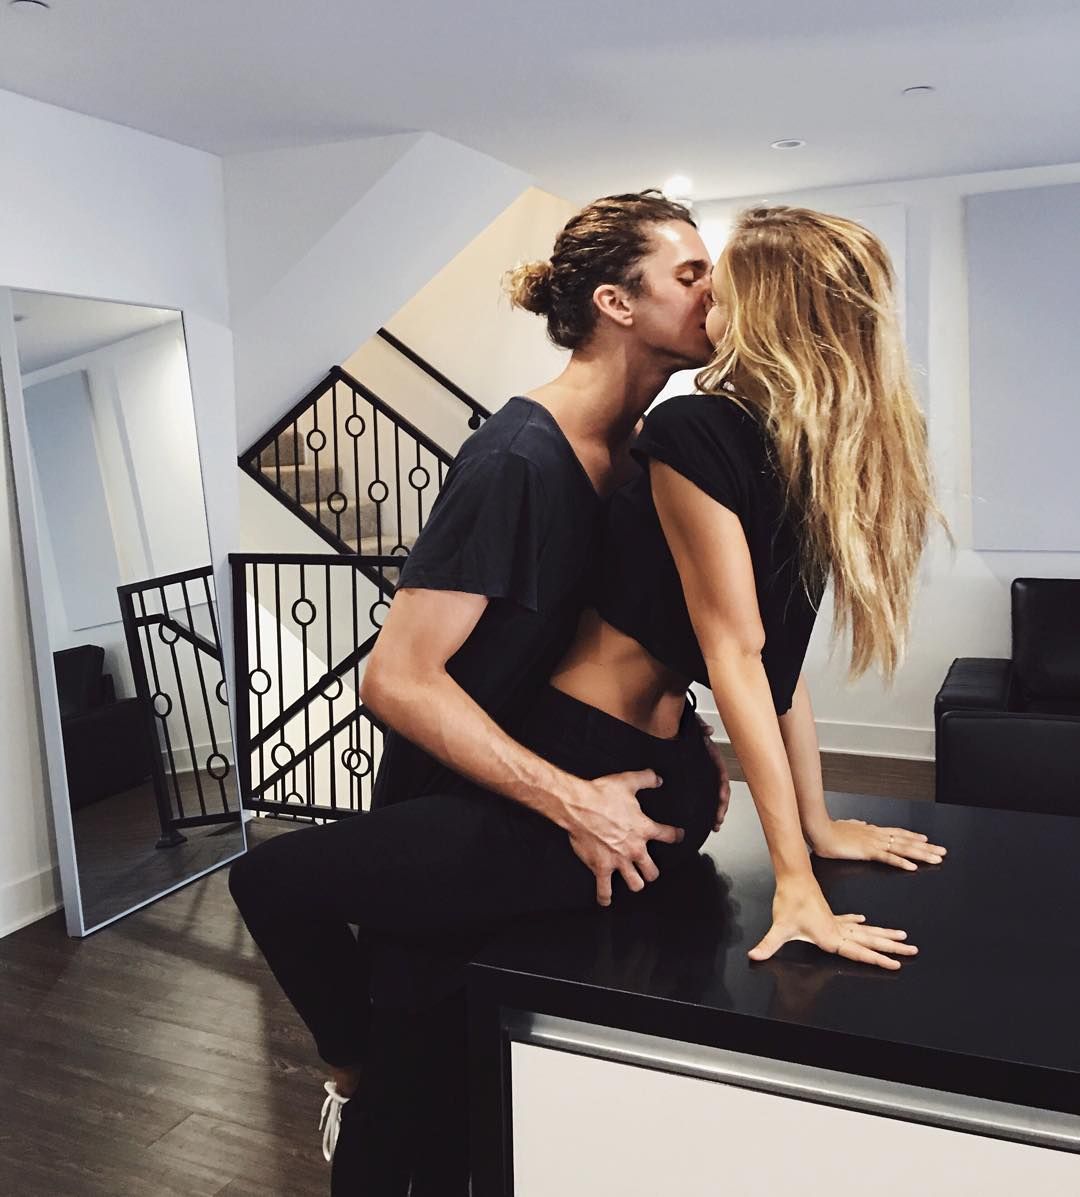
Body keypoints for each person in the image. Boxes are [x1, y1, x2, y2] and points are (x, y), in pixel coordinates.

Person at [230, 200, 947, 1196]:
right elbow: (396, 678)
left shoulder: (673, 440)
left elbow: (744, 654)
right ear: (617, 303)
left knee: (433, 1075)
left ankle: (367, 1084)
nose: (715, 289)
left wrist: (776, 812)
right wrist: (585, 797)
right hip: (526, 785)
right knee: (417, 1062)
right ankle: (358, 1076)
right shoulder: (521, 458)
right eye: (691, 273)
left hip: (592, 782)